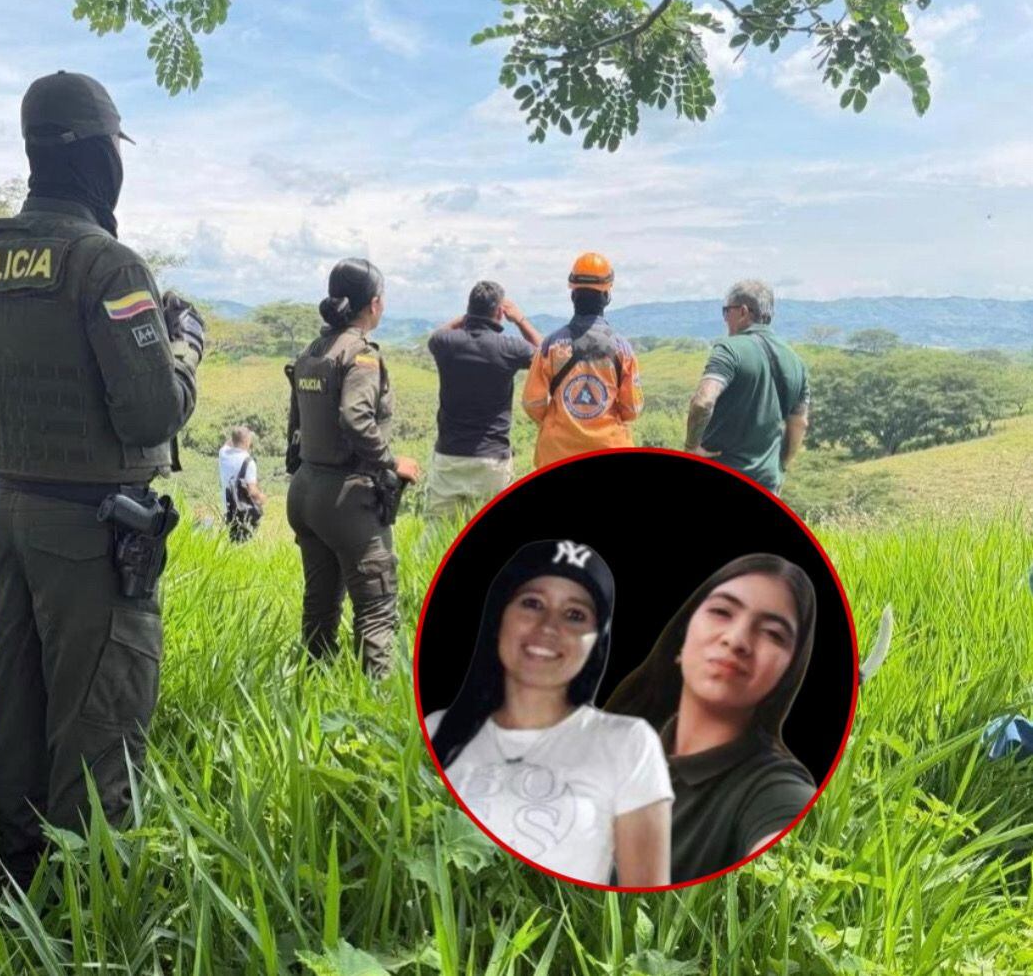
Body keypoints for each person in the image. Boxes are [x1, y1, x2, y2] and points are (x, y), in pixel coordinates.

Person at [0, 70, 204, 886]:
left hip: (12, 515)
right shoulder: (107, 265)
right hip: (96, 534)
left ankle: (10, 878)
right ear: (103, 156)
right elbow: (150, 417)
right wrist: (185, 347)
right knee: (101, 716)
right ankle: (79, 910)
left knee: (21, 705)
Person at [425, 539, 673, 887]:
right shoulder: (437, 730)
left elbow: (647, 895)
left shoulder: (628, 743)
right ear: (499, 617)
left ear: (596, 641)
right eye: (532, 603)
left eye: (575, 615)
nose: (548, 627)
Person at [603, 553, 818, 884]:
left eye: (773, 634)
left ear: (787, 674)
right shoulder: (622, 746)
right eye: (721, 612)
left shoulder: (773, 789)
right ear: (681, 637)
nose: (736, 640)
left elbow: (787, 847)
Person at [285, 258, 421, 676]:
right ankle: (371, 717)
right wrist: (392, 462)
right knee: (377, 609)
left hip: (306, 491)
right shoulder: (360, 355)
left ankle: (310, 688)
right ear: (374, 304)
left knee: (321, 606)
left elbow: (296, 423)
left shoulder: (313, 352)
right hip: (347, 497)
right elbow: (355, 417)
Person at [425, 281, 541, 520]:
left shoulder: (448, 344)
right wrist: (520, 319)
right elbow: (545, 353)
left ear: (469, 310)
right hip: (492, 459)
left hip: (450, 456)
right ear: (500, 312)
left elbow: (435, 336)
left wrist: (466, 317)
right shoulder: (509, 348)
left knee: (436, 538)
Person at [685, 280, 809, 494]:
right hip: (768, 483)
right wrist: (780, 466)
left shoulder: (729, 349)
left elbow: (703, 402)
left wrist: (691, 448)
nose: (725, 319)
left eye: (726, 312)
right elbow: (799, 423)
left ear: (742, 312)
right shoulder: (796, 361)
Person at [522, 253, 643, 468]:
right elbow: (632, 410)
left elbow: (533, 403)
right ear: (607, 297)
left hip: (557, 455)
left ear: (572, 295)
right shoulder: (622, 350)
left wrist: (560, 421)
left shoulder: (550, 346)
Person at [219, 425, 267, 542]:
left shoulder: (223, 453)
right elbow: (252, 491)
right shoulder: (248, 461)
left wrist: (238, 435)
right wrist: (263, 498)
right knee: (244, 544)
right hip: (244, 513)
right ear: (247, 441)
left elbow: (229, 442)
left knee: (232, 540)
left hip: (227, 508)